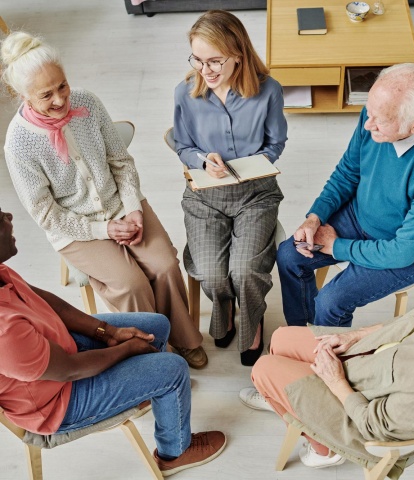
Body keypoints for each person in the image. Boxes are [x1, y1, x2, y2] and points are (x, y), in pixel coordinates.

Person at [1, 31, 207, 369]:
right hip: (77, 228)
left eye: (62, 86)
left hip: (120, 204)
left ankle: (184, 340)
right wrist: (106, 229)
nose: (60, 100)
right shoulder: (19, 144)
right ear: (22, 95)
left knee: (165, 264)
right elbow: (46, 213)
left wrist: (133, 209)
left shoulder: (88, 103)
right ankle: (154, 353)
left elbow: (121, 162)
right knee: (131, 283)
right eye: (46, 94)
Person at [0, 207, 226, 476]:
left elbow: (52, 306)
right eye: (0, 218)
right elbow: (70, 369)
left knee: (157, 324)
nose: (9, 216)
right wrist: (126, 348)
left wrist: (107, 331)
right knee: (174, 369)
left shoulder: (1, 273)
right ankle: (175, 452)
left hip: (60, 350)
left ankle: (151, 393)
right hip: (57, 403)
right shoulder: (4, 331)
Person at [240, 253, 414, 476]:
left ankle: (322, 449)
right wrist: (356, 335)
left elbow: (372, 426)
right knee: (280, 339)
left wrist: (335, 380)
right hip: (369, 361)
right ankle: (286, 402)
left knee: (263, 370)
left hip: (361, 417)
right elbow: (404, 323)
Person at [277, 63, 414, 328]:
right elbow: (348, 172)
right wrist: (315, 217)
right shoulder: (378, 112)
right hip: (361, 216)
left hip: (409, 250)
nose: (368, 123)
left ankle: (325, 359)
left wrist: (336, 246)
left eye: (380, 120)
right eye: (369, 111)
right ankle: (300, 335)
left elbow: (403, 252)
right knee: (289, 256)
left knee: (331, 301)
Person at [174, 10, 288, 366]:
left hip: (256, 194)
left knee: (245, 270)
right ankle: (224, 312)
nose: (204, 70)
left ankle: (252, 322)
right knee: (210, 271)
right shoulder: (185, 93)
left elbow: (276, 143)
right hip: (205, 197)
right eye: (197, 59)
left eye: (214, 61)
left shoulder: (267, 90)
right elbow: (181, 145)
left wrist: (251, 164)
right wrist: (200, 159)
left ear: (238, 53)